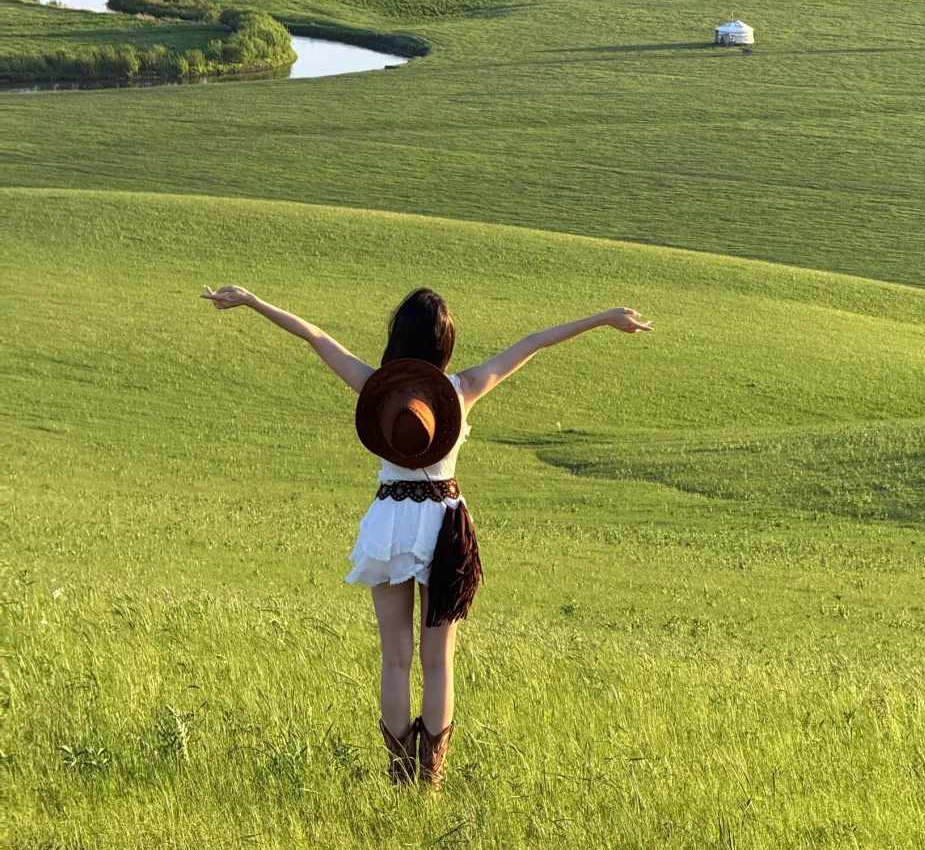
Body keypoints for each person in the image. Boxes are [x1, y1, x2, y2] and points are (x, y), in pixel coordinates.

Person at [201, 283, 652, 789]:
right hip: (443, 526)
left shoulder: (375, 390)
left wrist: (254, 302)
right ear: (445, 343)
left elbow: (316, 336)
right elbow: (533, 342)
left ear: (397, 336)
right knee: (438, 662)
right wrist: (602, 317)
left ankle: (400, 776)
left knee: (394, 658)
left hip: (390, 522)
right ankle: (430, 780)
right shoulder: (462, 389)